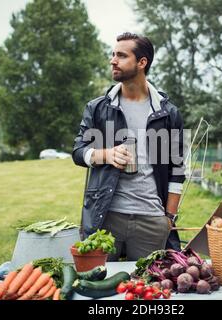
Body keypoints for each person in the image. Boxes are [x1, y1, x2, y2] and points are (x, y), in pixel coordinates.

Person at [72, 32, 185, 261]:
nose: (113, 60)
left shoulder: (168, 113)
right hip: (106, 218)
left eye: (121, 56)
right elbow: (78, 151)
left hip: (151, 221)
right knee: (99, 285)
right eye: (113, 54)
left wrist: (168, 218)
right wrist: (106, 154)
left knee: (146, 290)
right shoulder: (98, 108)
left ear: (142, 62)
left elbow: (178, 170)